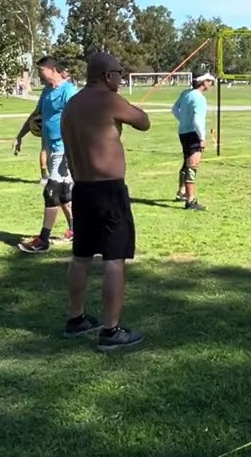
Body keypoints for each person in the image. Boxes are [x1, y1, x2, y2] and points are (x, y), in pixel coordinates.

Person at [60, 52, 151, 351]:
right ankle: (111, 332)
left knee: (81, 257)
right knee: (114, 260)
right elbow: (144, 122)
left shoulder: (71, 106)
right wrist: (127, 107)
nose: (121, 78)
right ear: (106, 75)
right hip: (109, 191)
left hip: (82, 190)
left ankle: (76, 319)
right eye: (119, 73)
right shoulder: (109, 100)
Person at [15, 57, 78, 253]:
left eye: (42, 70)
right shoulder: (47, 92)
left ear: (52, 69)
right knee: (65, 194)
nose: (40, 74)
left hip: (64, 150)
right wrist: (20, 136)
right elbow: (36, 114)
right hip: (51, 149)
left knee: (51, 191)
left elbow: (78, 121)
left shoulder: (68, 91)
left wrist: (71, 151)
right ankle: (77, 231)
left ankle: (43, 240)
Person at [172, 73, 215, 211]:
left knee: (186, 163)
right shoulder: (200, 98)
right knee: (192, 166)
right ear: (203, 82)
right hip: (193, 134)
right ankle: (191, 201)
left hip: (183, 133)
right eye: (209, 80)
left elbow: (174, 109)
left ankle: (182, 192)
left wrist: (183, 120)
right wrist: (202, 138)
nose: (211, 83)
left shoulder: (186, 93)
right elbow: (197, 121)